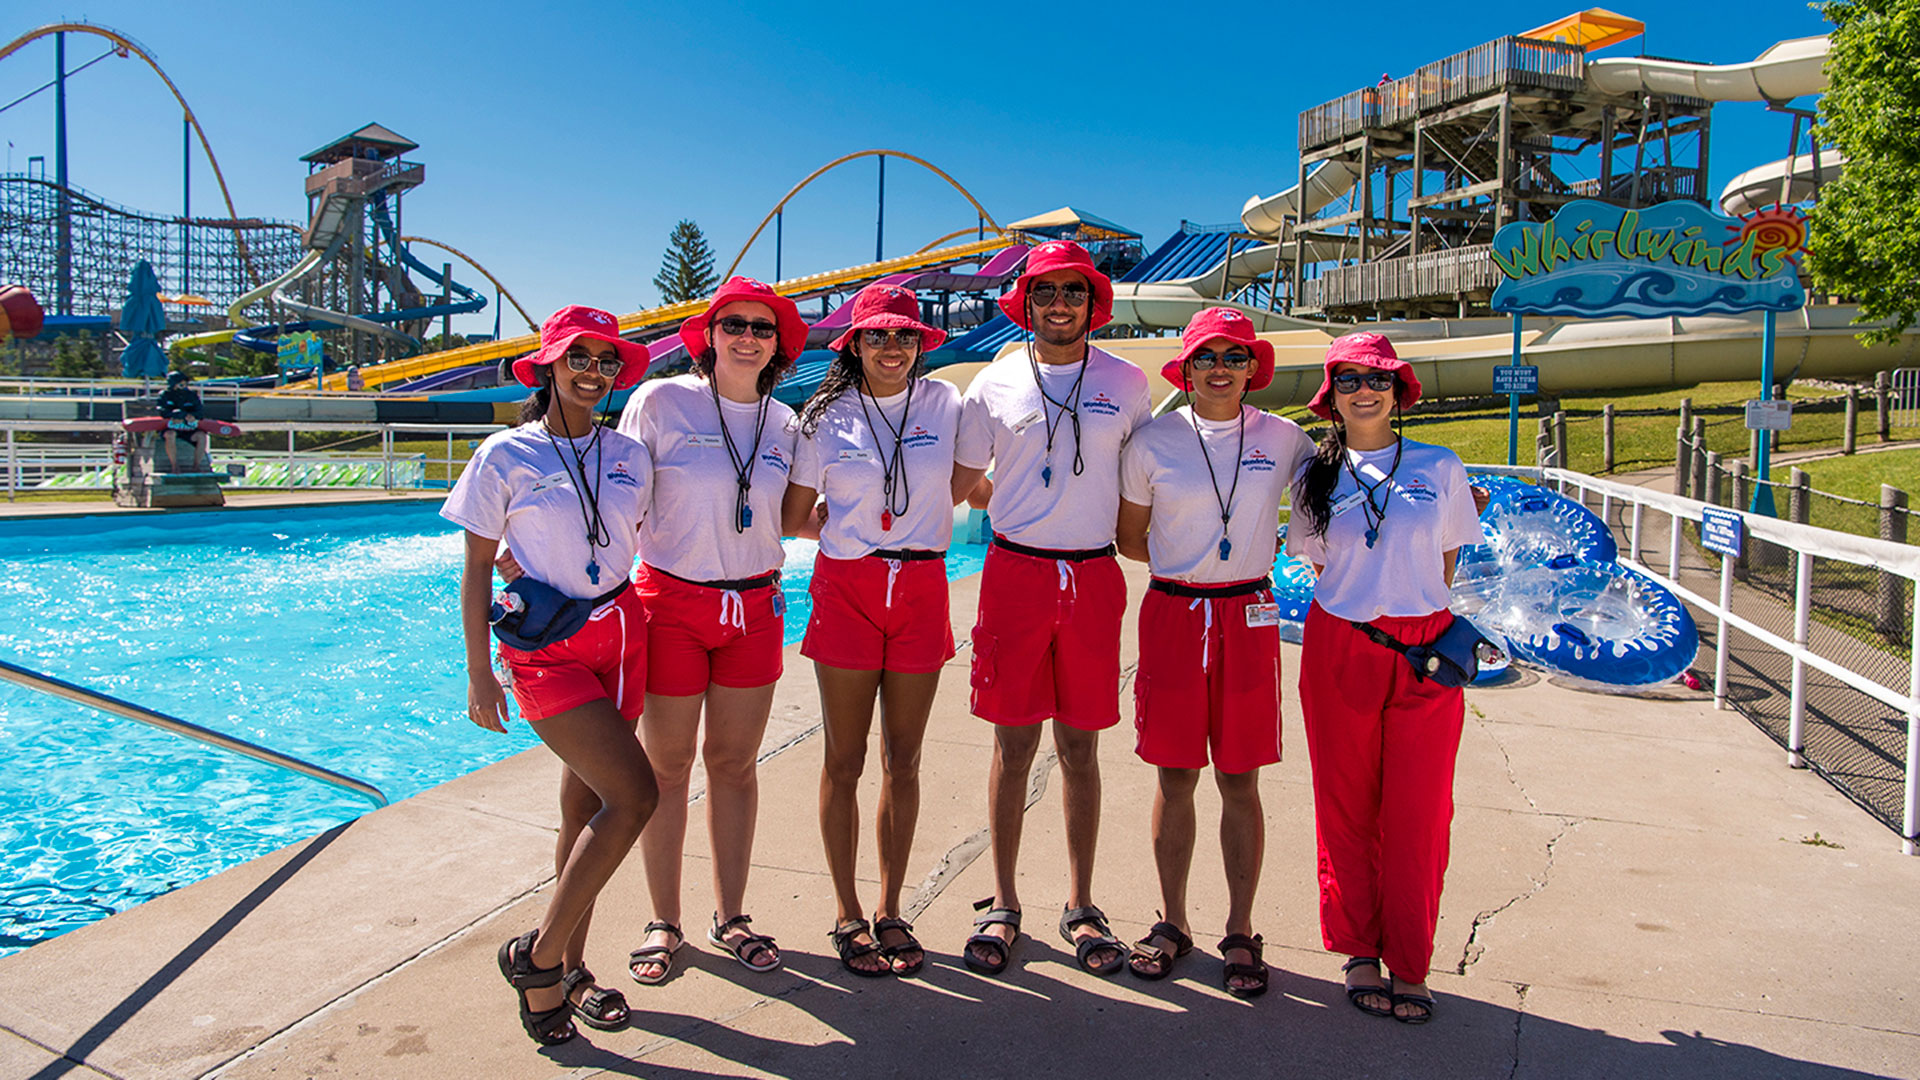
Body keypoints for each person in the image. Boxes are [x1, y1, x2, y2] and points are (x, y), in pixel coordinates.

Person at [442, 305, 658, 1045]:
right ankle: (536, 958)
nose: (593, 372)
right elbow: (475, 567)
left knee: (586, 811)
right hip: (547, 650)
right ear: (550, 365)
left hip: (624, 638)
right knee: (635, 797)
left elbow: (632, 541)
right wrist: (479, 670)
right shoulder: (505, 454)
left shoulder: (629, 453)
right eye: (580, 358)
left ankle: (569, 974)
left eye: (606, 361)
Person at [950, 240, 1151, 977]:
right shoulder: (993, 384)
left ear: (1092, 301)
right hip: (1014, 575)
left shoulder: (1128, 385)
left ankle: (1081, 903)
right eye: (1044, 291)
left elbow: (1150, 479)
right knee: (1011, 748)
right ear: (1025, 303)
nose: (1059, 303)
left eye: (1072, 290)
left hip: (1093, 577)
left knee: (1081, 748)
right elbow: (964, 485)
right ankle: (1003, 900)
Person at [1114, 307, 1314, 997]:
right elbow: (1130, 537)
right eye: (1208, 357)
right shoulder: (1153, 442)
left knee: (1240, 779)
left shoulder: (1287, 440)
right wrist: (1189, 567)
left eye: (1235, 357)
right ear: (1188, 368)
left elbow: (1337, 504)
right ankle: (1172, 922)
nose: (1221, 369)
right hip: (1174, 611)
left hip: (1249, 615)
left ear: (1252, 369)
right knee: (1175, 777)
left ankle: (1238, 927)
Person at [1285, 332, 1483, 1025]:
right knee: (1345, 808)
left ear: (1398, 391)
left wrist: (1415, 606)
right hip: (1342, 644)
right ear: (1332, 397)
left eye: (1377, 379)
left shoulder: (1440, 465)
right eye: (1348, 380)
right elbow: (1316, 563)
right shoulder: (1315, 474)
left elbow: (1449, 552)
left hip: (1425, 651)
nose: (1363, 391)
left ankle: (1411, 958)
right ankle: (1358, 949)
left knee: (1419, 815)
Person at [617, 277, 806, 984]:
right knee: (667, 768)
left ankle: (731, 916)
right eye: (735, 324)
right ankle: (663, 919)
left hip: (753, 608)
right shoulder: (661, 401)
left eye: (762, 327)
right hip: (671, 604)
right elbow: (619, 498)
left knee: (733, 765)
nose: (748, 337)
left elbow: (793, 519)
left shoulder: (787, 424)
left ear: (777, 344)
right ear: (710, 333)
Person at [780, 283, 970, 977]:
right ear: (854, 344)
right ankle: (846, 911)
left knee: (905, 759)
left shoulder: (945, 405)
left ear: (921, 343)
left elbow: (965, 484)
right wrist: (855, 534)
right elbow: (792, 514)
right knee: (844, 759)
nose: (892, 347)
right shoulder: (824, 417)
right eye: (878, 336)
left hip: (920, 586)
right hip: (849, 588)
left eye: (905, 335)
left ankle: (892, 907)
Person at [155, 370, 206, 471]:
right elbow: (161, 410)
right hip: (171, 427)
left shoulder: (191, 395)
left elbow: (200, 411)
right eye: (181, 383)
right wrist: (173, 416)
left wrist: (192, 416)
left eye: (185, 383)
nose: (184, 386)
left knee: (202, 436)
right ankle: (174, 466)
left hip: (188, 428)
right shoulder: (165, 395)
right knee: (170, 435)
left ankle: (196, 466)